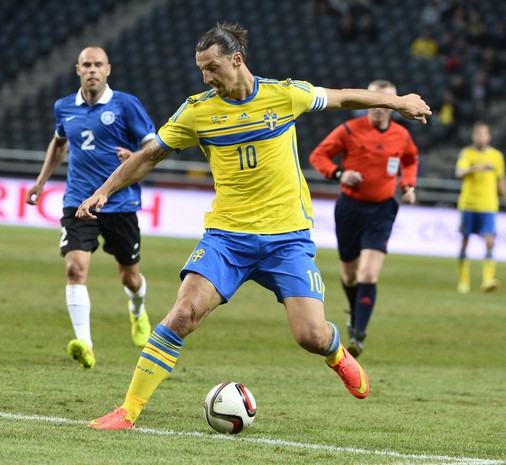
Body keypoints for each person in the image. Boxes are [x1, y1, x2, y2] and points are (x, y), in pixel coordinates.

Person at [76, 23, 431, 429]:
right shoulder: (197, 111)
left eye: (212, 68)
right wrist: (105, 190)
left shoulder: (285, 94)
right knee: (182, 314)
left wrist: (399, 101)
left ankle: (335, 352)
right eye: (201, 70)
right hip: (227, 238)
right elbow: (149, 154)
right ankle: (128, 411)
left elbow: (343, 97)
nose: (207, 78)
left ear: (236, 60)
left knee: (310, 336)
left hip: (287, 239)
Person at [25, 47, 155, 369]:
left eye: (98, 65)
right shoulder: (64, 107)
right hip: (78, 201)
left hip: (119, 202)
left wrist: (135, 158)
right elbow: (59, 143)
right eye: (87, 65)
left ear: (108, 69)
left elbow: (153, 146)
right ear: (77, 69)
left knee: (130, 278)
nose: (93, 70)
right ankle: (85, 343)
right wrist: (41, 181)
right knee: (75, 269)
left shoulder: (127, 105)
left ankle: (137, 310)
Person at [309, 80, 419, 358]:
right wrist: (338, 174)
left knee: (368, 273)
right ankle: (355, 313)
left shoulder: (401, 136)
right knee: (349, 275)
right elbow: (318, 155)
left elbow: (409, 160)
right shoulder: (349, 130)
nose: (380, 108)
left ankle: (358, 332)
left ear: (394, 106)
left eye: (386, 103)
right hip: (349, 208)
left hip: (381, 210)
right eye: (375, 101)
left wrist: (408, 184)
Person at [455, 121, 506, 294]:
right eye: (477, 134)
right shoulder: (467, 153)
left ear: (489, 136)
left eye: (483, 134)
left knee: (490, 241)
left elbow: (500, 181)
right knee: (464, 241)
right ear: (473, 136)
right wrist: (479, 167)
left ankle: (488, 279)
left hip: (488, 205)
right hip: (468, 204)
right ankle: (463, 281)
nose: (480, 137)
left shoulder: (497, 156)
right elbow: (459, 173)